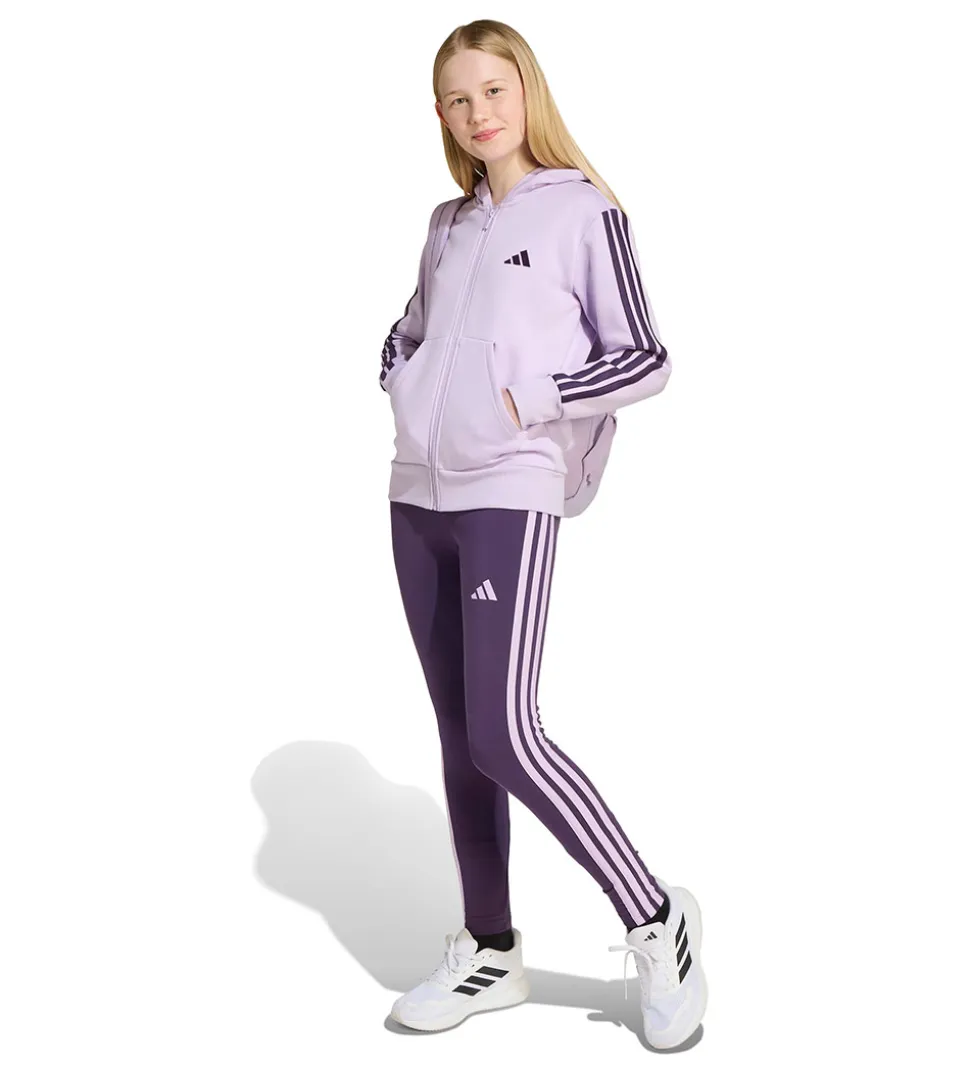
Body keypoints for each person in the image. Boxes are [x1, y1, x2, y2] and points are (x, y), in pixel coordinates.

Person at [379, 19, 708, 1050]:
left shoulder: (583, 211)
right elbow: (409, 330)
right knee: (459, 735)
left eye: (493, 89)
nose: (477, 113)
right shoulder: (447, 222)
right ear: (440, 115)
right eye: (457, 99)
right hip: (415, 495)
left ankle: (655, 917)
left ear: (527, 89)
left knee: (504, 731)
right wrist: (401, 377)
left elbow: (644, 355)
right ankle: (491, 948)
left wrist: (532, 399)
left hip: (508, 490)